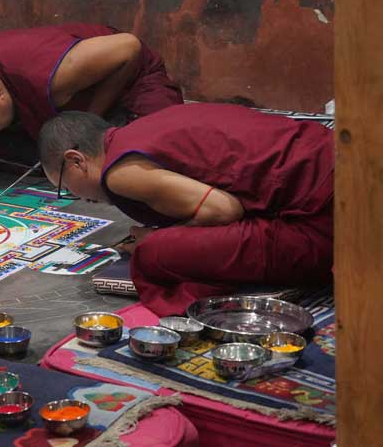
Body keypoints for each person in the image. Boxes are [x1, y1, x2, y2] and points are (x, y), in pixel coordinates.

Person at [37, 105, 334, 316]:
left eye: (65, 185)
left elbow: (223, 210)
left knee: (155, 252)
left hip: (323, 220)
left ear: (76, 160)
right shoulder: (145, 127)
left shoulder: (120, 173)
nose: (76, 196)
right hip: (334, 157)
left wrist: (156, 238)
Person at [0, 23, 182, 164]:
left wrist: (86, 122)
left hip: (129, 78)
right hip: (48, 97)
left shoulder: (55, 76)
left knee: (154, 151)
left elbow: (129, 46)